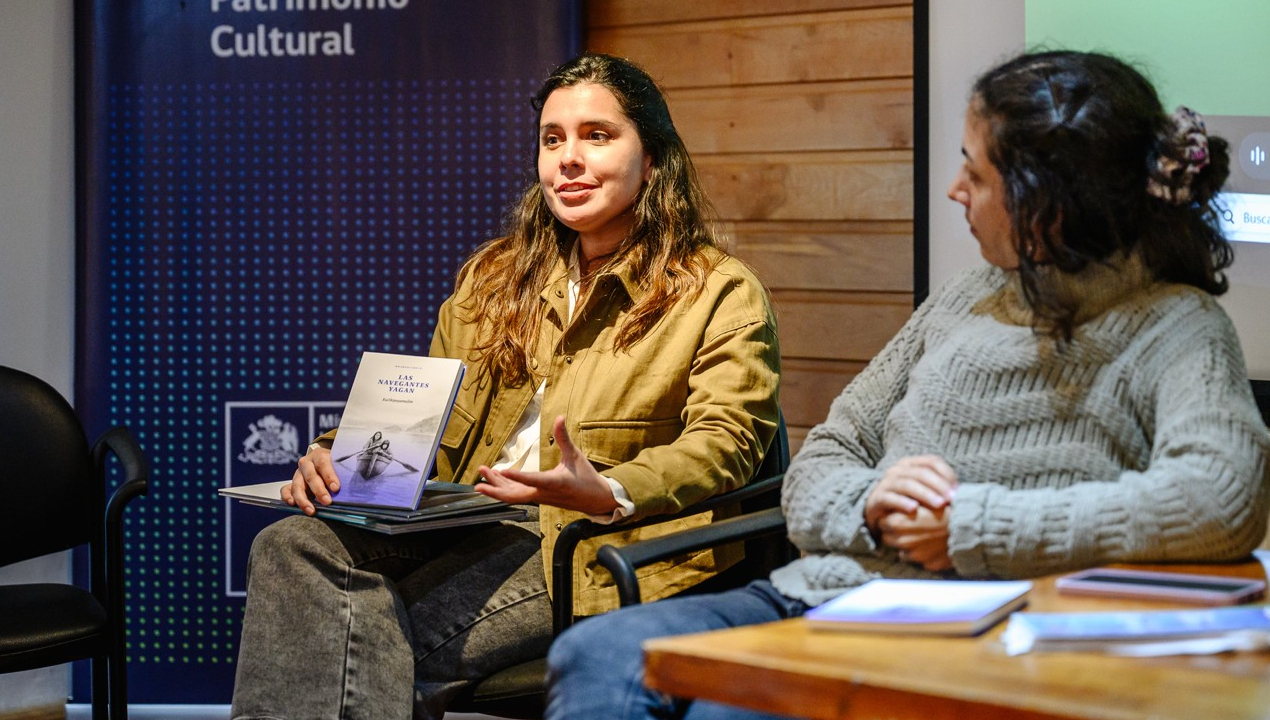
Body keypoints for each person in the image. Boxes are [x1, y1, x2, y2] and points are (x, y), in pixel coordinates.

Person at [544, 49, 1270, 720]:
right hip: (831, 594)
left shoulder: (1177, 325)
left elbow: (1220, 498)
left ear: (1052, 198)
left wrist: (968, 528)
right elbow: (826, 455)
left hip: (989, 621)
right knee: (592, 652)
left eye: (977, 175)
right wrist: (871, 509)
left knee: (729, 708)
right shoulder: (962, 300)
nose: (955, 189)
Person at [229, 53, 781, 720]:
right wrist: (341, 459)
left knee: (343, 623)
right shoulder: (494, 278)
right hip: (470, 522)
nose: (568, 159)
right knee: (290, 547)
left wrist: (610, 489)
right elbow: (423, 411)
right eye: (553, 140)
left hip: (593, 545)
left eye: (597, 136)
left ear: (653, 158)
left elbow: (728, 442)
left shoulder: (718, 290)